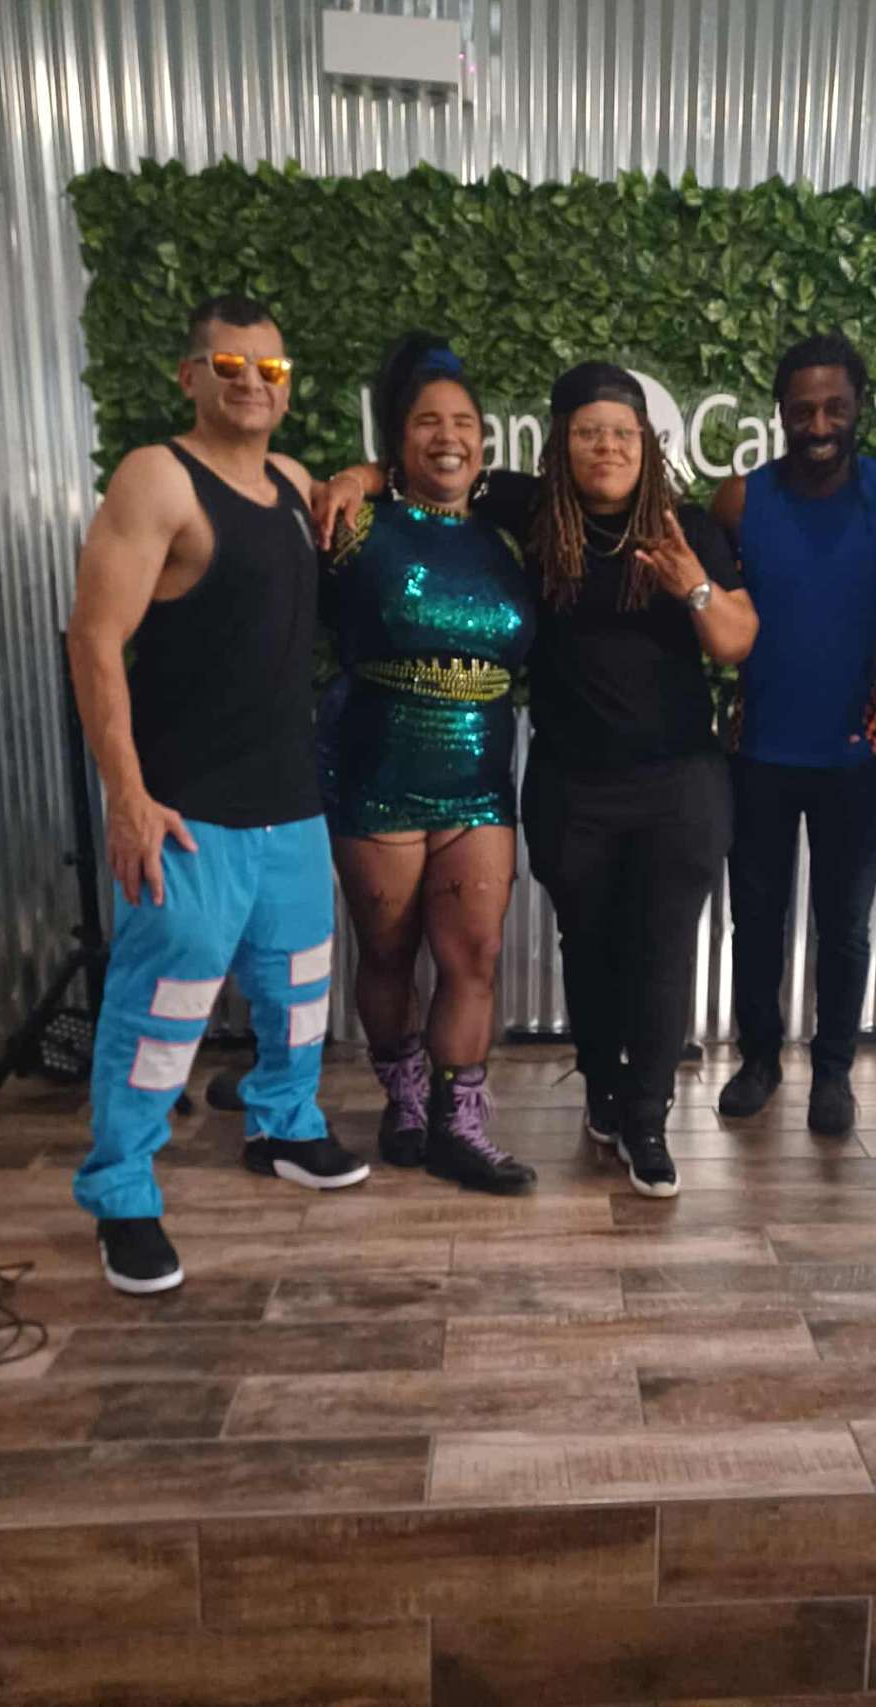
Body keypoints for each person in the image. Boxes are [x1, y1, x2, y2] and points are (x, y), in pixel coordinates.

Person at [67, 294, 367, 1296]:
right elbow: (93, 636)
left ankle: (284, 1126)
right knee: (161, 1014)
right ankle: (122, 1192)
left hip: (290, 802)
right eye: (229, 365)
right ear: (189, 375)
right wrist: (126, 795)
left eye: (269, 370)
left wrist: (356, 478)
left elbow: (350, 485)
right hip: (187, 806)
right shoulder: (158, 477)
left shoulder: (290, 481)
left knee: (299, 991)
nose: (250, 383)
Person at [520, 363, 758, 1197]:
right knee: (587, 947)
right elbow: (430, 472)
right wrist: (360, 479)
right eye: (589, 432)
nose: (608, 446)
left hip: (678, 784)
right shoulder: (533, 516)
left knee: (663, 949)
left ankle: (649, 1118)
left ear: (646, 445)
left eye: (622, 433)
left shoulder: (685, 527)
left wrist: (691, 585)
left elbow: (736, 640)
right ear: (563, 444)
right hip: (571, 785)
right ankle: (604, 1092)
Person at [318, 334, 537, 1195]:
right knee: (387, 951)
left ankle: (460, 1124)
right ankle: (403, 1093)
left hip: (480, 772)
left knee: (474, 952)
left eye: (464, 423)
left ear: (484, 439)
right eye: (427, 422)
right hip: (378, 763)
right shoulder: (356, 523)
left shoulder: (506, 538)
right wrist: (358, 477)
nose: (448, 437)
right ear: (396, 440)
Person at [710, 333, 876, 1134]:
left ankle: (833, 1070)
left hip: (857, 754)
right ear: (780, 412)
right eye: (802, 409)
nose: (818, 424)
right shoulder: (739, 502)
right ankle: (759, 1059)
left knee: (845, 927)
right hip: (758, 752)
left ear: (858, 407)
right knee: (755, 922)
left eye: (835, 407)